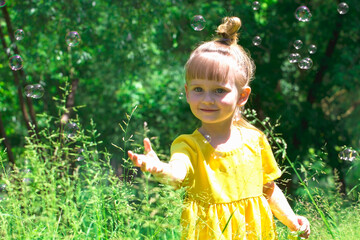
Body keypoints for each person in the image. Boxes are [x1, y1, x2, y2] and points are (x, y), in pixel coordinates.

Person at [128, 16, 310, 240]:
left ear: (242, 96)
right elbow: (177, 174)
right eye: (198, 89)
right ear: (186, 92)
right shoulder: (189, 145)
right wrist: (159, 169)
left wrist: (292, 221)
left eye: (219, 90)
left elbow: (268, 189)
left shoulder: (255, 140)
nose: (206, 99)